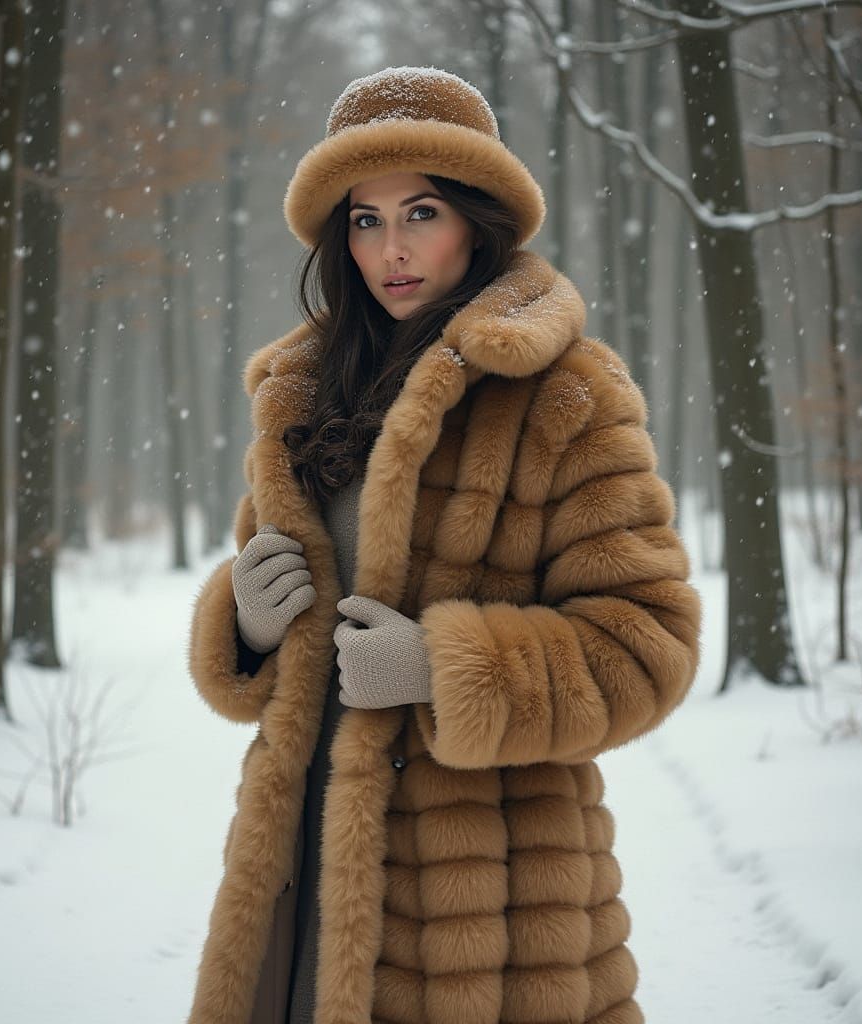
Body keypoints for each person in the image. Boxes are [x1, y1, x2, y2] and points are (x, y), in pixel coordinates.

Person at [186, 66, 702, 1024]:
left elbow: (648, 645)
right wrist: (247, 626)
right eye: (366, 218)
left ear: (478, 216)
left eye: (421, 211)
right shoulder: (307, 397)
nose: (392, 248)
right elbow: (280, 657)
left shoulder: (565, 392)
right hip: (305, 867)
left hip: (488, 905)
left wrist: (440, 666)